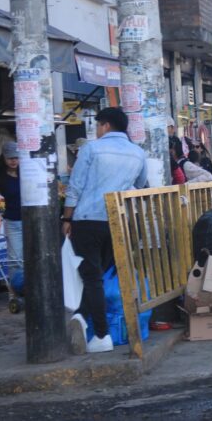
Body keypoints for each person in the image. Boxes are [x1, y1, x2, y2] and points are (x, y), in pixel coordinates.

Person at [63, 108, 148, 355]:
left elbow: (74, 187)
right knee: (98, 273)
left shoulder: (92, 148)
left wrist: (66, 218)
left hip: (88, 220)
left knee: (91, 276)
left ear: (106, 125)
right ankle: (81, 317)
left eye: (98, 125)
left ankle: (100, 334)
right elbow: (140, 184)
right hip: (118, 221)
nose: (97, 130)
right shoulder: (138, 153)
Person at [0, 142, 23, 287]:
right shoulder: (0, 179)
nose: (13, 160)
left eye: (16, 157)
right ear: (4, 159)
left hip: (31, 221)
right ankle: (15, 292)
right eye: (10, 158)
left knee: (31, 257)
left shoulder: (27, 173)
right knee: (15, 260)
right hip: (12, 223)